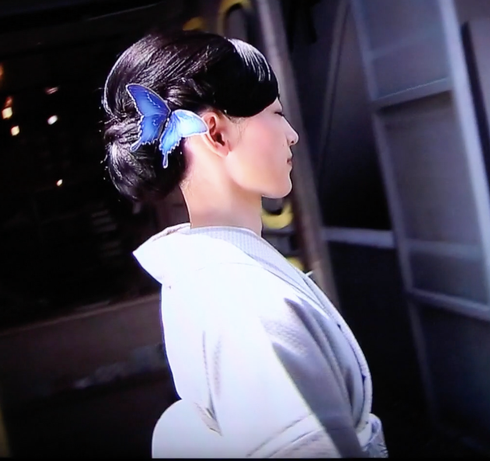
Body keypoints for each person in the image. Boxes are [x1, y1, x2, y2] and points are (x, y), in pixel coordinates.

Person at [102, 29, 387, 458]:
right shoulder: (246, 303)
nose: (291, 134)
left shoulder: (209, 283)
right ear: (215, 133)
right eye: (276, 113)